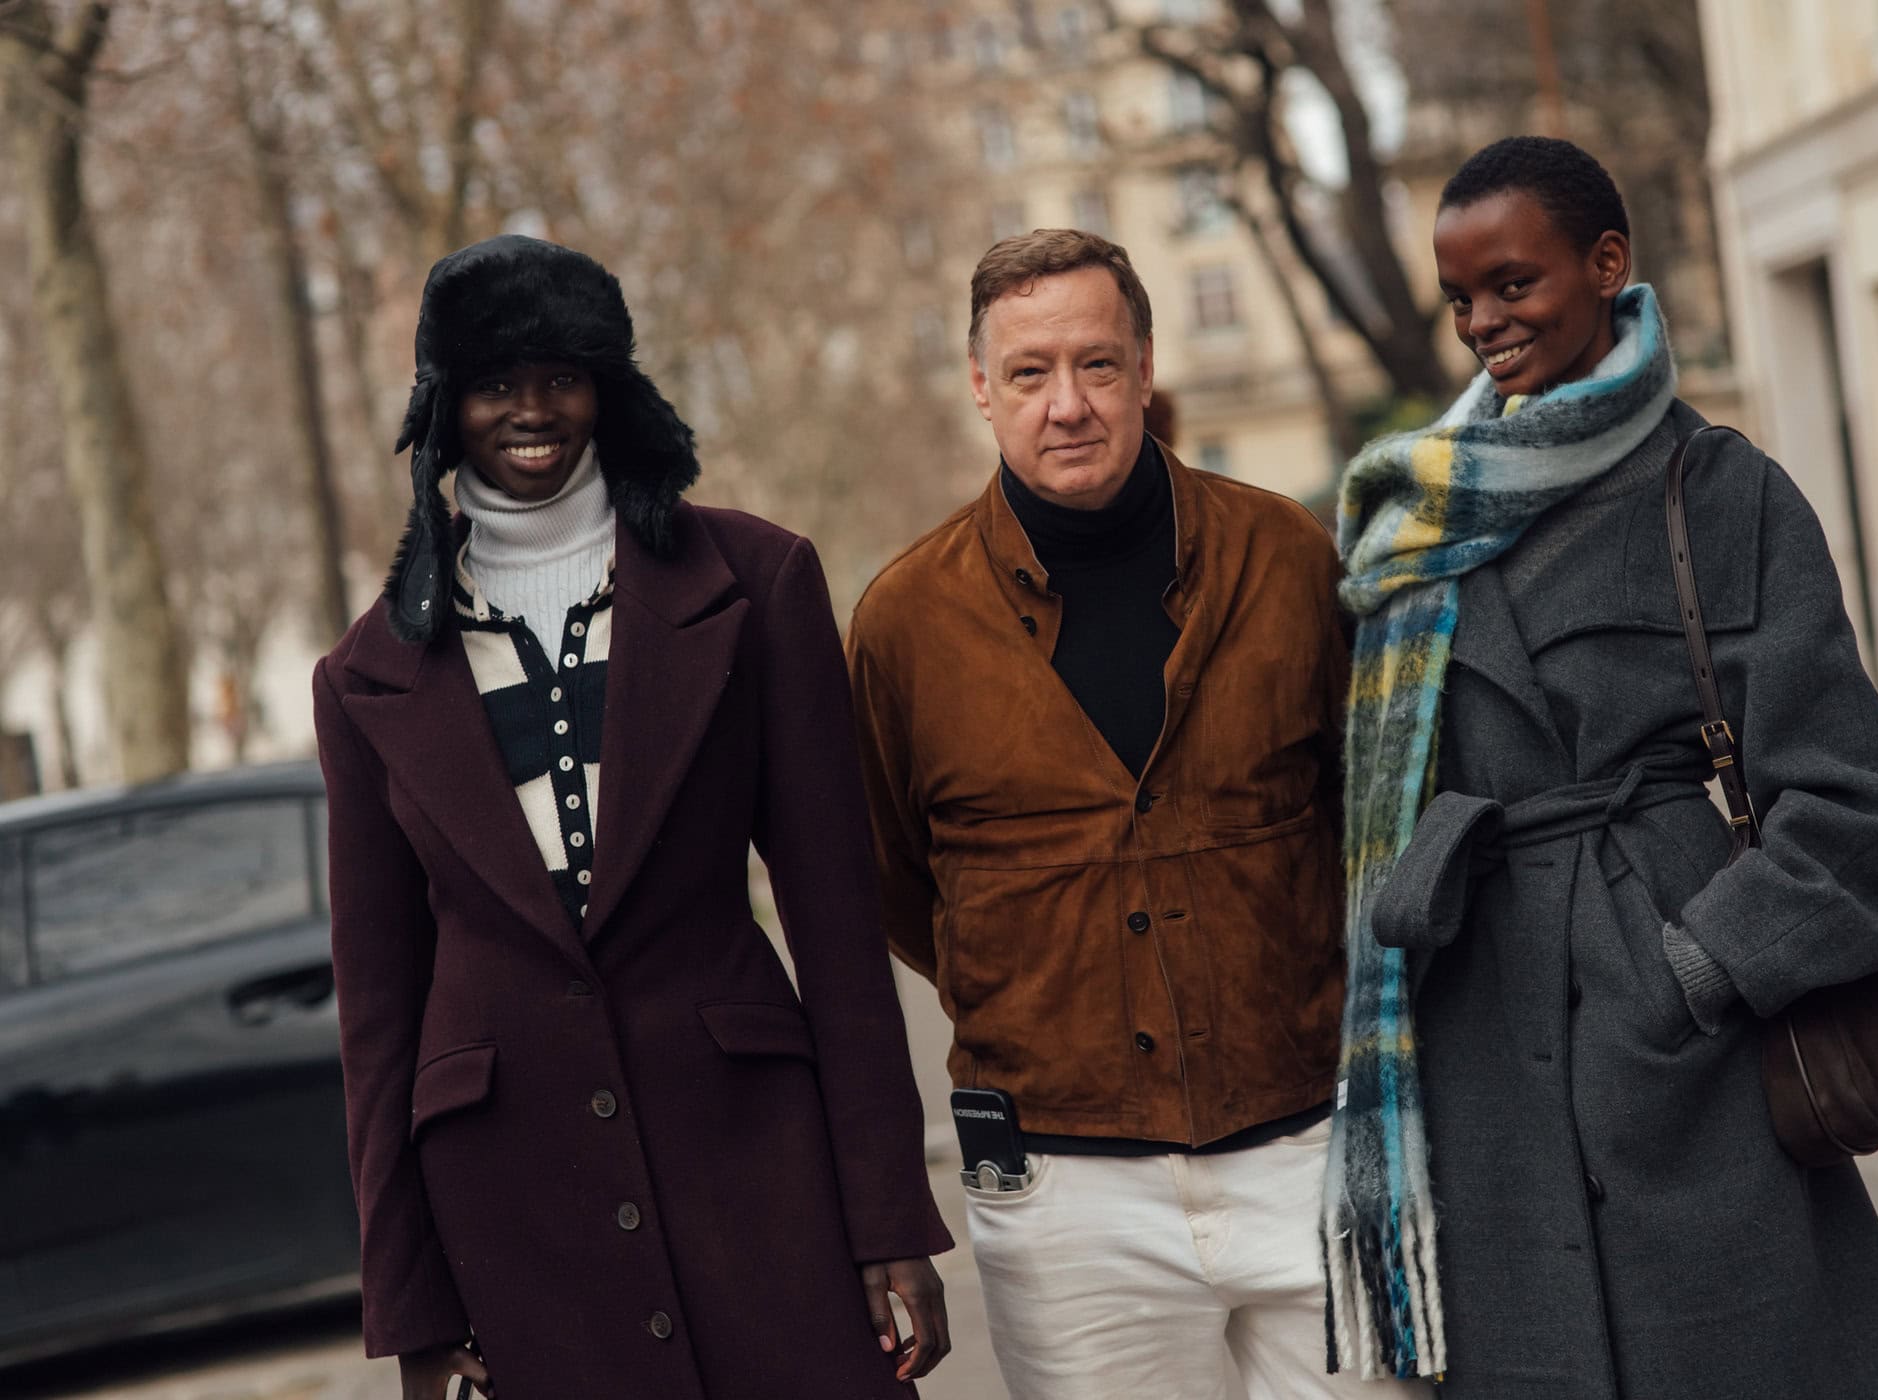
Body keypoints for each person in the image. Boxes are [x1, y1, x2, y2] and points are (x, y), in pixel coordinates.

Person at [1334, 136, 1878, 1397]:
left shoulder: (1719, 492)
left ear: (1608, 263)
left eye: (1512, 283)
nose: (1482, 322)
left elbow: (1851, 797)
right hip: (1484, 1041)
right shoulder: (1418, 519)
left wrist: (1692, 967)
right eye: (1460, 299)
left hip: (1691, 1058)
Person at [314, 235, 952, 1400]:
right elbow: (379, 1023)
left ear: (607, 384)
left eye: (560, 373)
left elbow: (841, 929)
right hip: (517, 1216)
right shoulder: (363, 677)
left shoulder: (758, 582)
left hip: (756, 1174)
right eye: (496, 384)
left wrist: (888, 1216)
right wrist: (416, 1309)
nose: (532, 409)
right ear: (446, 409)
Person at [847, 228, 1426, 1398]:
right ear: (979, 387)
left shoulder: (1287, 554)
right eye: (1029, 371)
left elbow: (1364, 813)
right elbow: (897, 882)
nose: (1068, 403)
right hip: (1067, 1197)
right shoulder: (906, 622)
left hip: (1309, 1141)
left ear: (1146, 366)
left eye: (1098, 364)